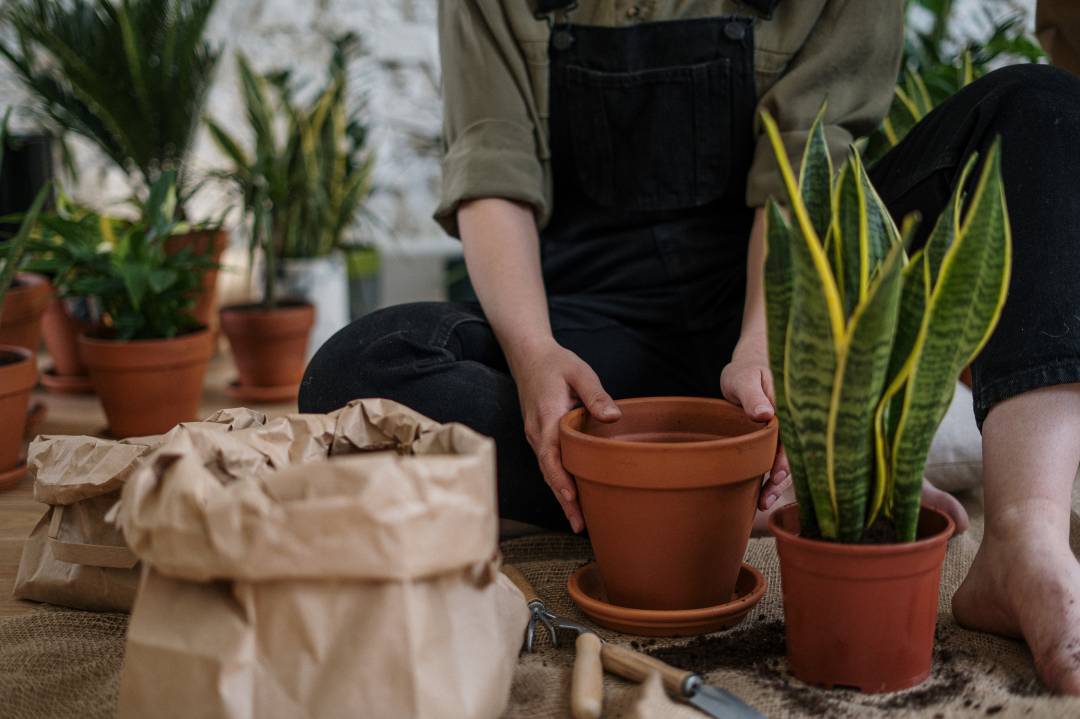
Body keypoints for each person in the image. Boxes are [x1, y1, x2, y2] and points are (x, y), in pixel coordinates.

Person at [300, 0, 1080, 694]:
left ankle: (1023, 538)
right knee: (357, 370)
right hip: (588, 337)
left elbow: (808, 167)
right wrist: (536, 354)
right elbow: (491, 167)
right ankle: (737, 487)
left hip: (792, 296)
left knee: (1040, 107)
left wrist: (765, 348)